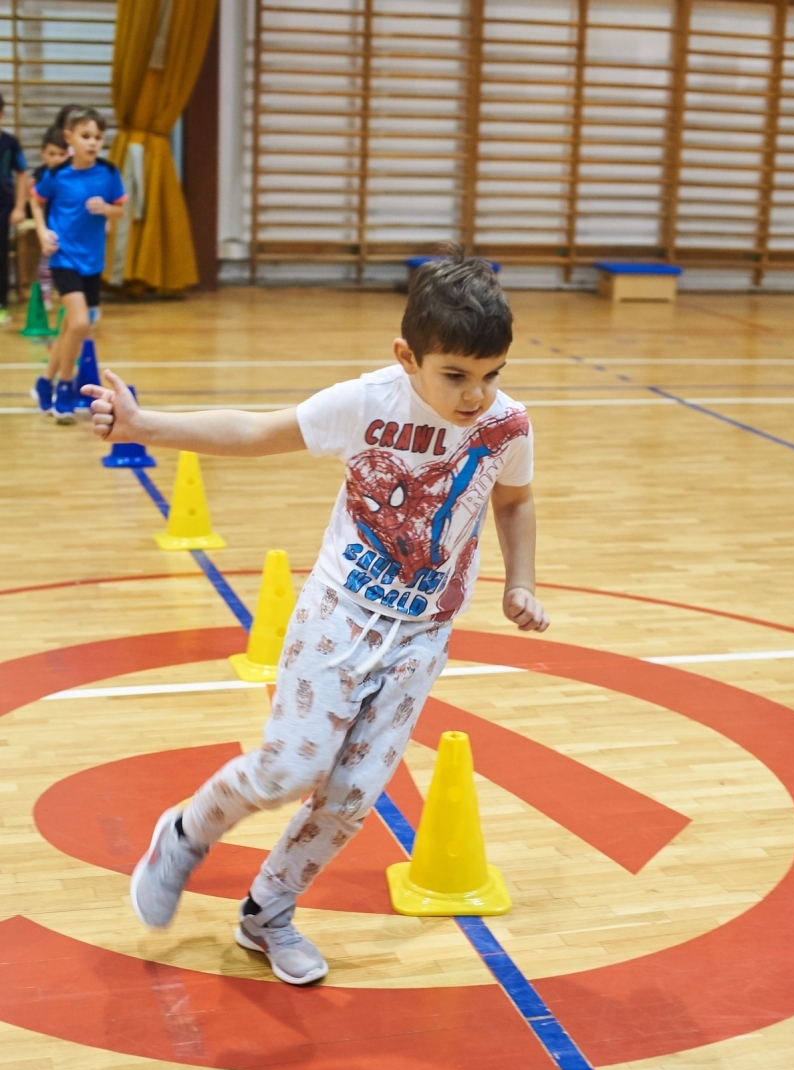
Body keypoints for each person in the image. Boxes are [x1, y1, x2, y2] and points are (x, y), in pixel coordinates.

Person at [84, 252, 551, 986]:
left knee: (352, 798)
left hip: (423, 633)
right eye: (455, 375)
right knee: (291, 768)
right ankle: (185, 832)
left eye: (490, 373)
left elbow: (514, 500)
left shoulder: (506, 423)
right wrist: (145, 425)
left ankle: (267, 913)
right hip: (340, 613)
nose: (475, 394)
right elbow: (251, 430)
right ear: (408, 357)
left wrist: (520, 581)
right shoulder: (366, 403)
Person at [29, 108, 125, 421]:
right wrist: (43, 232)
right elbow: (35, 200)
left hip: (92, 262)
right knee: (81, 323)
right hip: (63, 257)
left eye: (98, 137)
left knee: (72, 326)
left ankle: (45, 383)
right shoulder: (56, 175)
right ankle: (66, 387)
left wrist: (107, 209)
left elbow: (122, 211)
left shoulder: (109, 173)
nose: (93, 142)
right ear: (70, 138)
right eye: (86, 136)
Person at [25, 126, 68, 313]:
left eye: (61, 154)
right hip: (49, 227)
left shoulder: (71, 175)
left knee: (67, 263)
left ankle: (69, 295)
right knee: (46, 263)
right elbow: (33, 205)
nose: (56, 158)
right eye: (52, 154)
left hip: (68, 227)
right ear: (42, 153)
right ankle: (45, 295)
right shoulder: (39, 176)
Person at [0, 94, 28, 325]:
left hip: (3, 208)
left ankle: (1, 304)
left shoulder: (10, 143)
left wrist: (19, 206)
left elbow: (22, 175)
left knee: (1, 257)